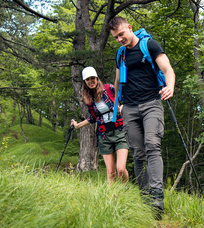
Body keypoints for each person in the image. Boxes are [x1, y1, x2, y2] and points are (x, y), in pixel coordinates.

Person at [108, 17, 175, 217]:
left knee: (152, 145)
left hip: (151, 103)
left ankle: (156, 197)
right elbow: (118, 80)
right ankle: (145, 197)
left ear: (130, 28)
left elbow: (167, 68)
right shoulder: (120, 54)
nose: (120, 39)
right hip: (128, 107)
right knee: (137, 152)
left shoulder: (150, 45)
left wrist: (170, 86)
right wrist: (117, 103)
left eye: (121, 34)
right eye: (115, 37)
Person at [71, 66, 129, 184]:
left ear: (97, 78)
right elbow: (92, 118)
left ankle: (124, 189)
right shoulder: (89, 99)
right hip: (104, 135)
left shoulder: (109, 88)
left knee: (121, 169)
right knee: (111, 172)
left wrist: (120, 108)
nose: (91, 81)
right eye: (88, 80)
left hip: (120, 131)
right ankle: (112, 197)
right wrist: (78, 126)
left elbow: (127, 101)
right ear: (85, 82)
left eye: (93, 78)